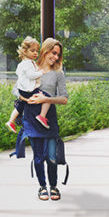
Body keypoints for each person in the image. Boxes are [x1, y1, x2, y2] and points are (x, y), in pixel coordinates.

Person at [23, 38, 69, 201]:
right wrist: (25, 99)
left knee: (51, 156)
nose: (56, 57)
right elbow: (18, 89)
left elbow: (64, 98)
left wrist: (46, 100)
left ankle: (54, 186)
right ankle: (42, 187)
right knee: (38, 157)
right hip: (31, 118)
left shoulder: (58, 73)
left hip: (48, 119)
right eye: (53, 53)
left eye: (58, 54)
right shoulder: (30, 67)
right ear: (45, 50)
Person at [6, 36, 51, 134]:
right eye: (32, 51)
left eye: (37, 51)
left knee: (20, 106)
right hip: (28, 91)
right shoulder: (28, 64)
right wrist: (41, 72)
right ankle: (42, 116)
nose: (35, 53)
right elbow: (31, 75)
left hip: (22, 90)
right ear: (25, 51)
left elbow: (19, 73)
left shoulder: (23, 63)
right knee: (47, 98)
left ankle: (11, 121)